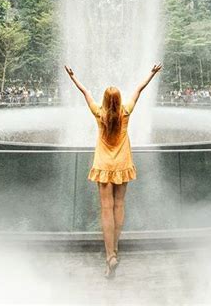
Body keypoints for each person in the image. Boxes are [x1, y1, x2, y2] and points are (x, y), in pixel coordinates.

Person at [64, 63, 162, 279]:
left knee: (106, 209)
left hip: (103, 165)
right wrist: (152, 73)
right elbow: (139, 89)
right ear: (118, 101)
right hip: (122, 165)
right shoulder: (125, 112)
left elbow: (86, 92)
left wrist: (73, 77)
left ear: (106, 101)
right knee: (119, 206)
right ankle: (115, 250)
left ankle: (110, 256)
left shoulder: (99, 114)